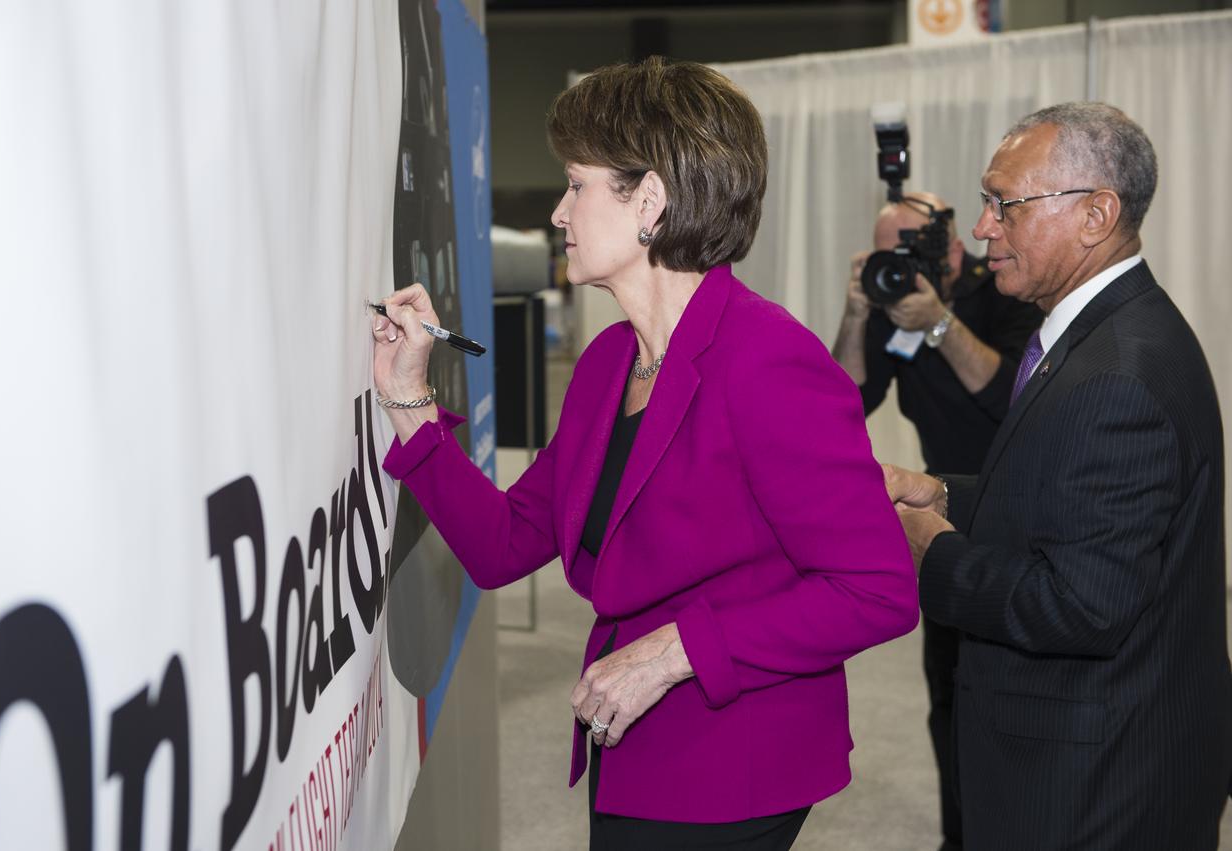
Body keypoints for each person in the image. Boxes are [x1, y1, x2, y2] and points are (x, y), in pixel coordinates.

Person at [371, 56, 919, 849]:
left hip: (731, 758)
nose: (558, 212)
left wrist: (675, 651)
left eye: (575, 184)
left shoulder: (769, 362)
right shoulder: (608, 364)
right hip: (631, 732)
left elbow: (876, 591)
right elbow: (502, 544)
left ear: (650, 202)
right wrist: (408, 398)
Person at [886, 102, 1232, 850]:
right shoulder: (1101, 332)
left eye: (1003, 204)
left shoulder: (1118, 373)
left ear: (1095, 214)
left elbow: (1078, 605)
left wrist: (930, 549)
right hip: (1095, 751)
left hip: (1097, 781)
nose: (982, 229)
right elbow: (1067, 499)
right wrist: (946, 494)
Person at [831, 191, 1041, 851]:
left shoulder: (1010, 290)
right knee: (949, 691)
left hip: (1025, 509)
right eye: (888, 249)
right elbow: (841, 403)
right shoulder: (889, 297)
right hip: (941, 509)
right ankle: (961, 837)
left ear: (949, 246)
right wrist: (855, 311)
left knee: (1024, 692)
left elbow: (1013, 399)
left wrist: (939, 324)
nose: (902, 261)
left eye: (911, 247)